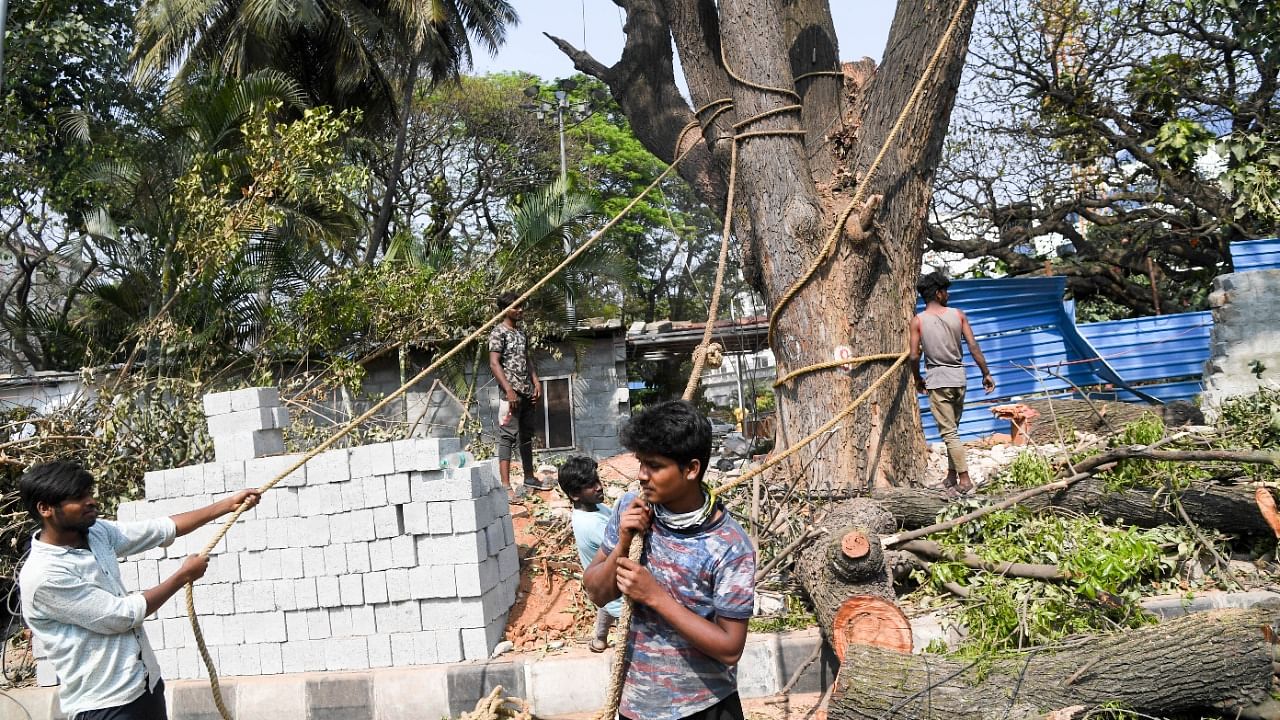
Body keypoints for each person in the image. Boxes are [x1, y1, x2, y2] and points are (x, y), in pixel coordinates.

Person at [17, 460, 261, 720]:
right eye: (79, 497)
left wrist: (227, 505)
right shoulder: (44, 575)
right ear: (45, 509)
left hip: (145, 686)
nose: (91, 502)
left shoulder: (96, 533)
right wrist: (182, 576)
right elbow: (120, 616)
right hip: (104, 705)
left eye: (89, 493)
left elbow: (159, 529)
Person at [584, 400, 756, 720]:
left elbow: (730, 648)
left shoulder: (729, 545)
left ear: (691, 469)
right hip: (636, 707)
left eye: (655, 466)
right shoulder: (630, 509)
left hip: (705, 708)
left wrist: (656, 597)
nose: (642, 475)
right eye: (640, 463)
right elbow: (597, 592)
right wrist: (623, 541)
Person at [909, 271, 996, 496]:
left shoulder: (918, 321)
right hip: (959, 379)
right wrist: (986, 373)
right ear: (938, 293)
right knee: (953, 431)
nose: (947, 295)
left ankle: (964, 480)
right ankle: (951, 476)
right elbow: (974, 347)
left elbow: (913, 356)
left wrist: (917, 378)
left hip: (937, 381)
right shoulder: (958, 315)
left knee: (949, 433)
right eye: (945, 291)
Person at [556, 455, 623, 652]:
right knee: (625, 630)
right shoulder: (592, 524)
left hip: (602, 580)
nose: (599, 487)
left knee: (605, 600)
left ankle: (600, 639)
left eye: (597, 481)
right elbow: (623, 548)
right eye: (591, 485)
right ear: (575, 495)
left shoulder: (593, 508)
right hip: (615, 589)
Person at [488, 291, 550, 492]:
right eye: (516, 307)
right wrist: (509, 390)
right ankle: (505, 486)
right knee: (507, 437)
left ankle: (529, 478)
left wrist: (536, 382)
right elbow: (494, 363)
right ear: (506, 310)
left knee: (526, 436)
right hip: (510, 395)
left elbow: (527, 359)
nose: (520, 310)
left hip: (526, 392)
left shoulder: (521, 333)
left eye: (522, 305)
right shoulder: (498, 332)